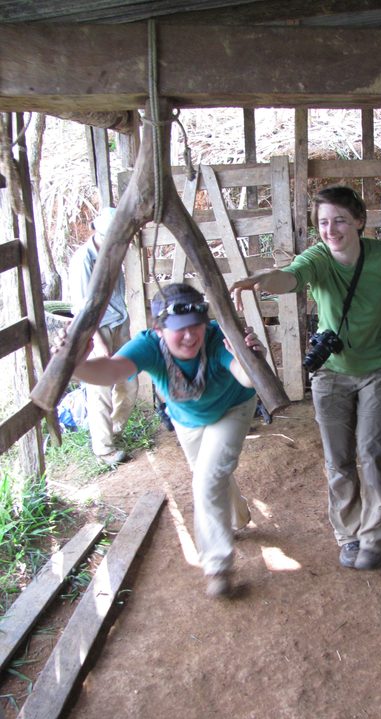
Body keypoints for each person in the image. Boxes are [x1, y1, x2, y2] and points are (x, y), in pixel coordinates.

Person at [231, 185, 381, 570]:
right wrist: (263, 277)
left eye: (340, 221)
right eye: (323, 222)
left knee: (373, 452)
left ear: (359, 222)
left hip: (380, 368)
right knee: (339, 460)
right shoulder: (317, 257)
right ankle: (348, 535)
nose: (331, 229)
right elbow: (290, 278)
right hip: (331, 374)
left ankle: (375, 537)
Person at [56, 282, 262, 599]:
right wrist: (77, 364)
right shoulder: (148, 346)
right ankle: (238, 515)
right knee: (210, 473)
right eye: (179, 329)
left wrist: (246, 355)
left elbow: (247, 378)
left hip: (233, 407)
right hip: (187, 418)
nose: (190, 336)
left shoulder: (218, 335)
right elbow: (111, 371)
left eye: (196, 326)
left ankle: (218, 565)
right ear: (158, 328)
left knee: (208, 479)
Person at [68, 206, 138, 465]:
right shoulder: (82, 261)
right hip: (98, 329)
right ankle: (104, 448)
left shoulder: (113, 254)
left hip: (120, 324)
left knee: (129, 382)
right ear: (100, 233)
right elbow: (81, 309)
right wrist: (98, 344)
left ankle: (114, 428)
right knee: (99, 388)